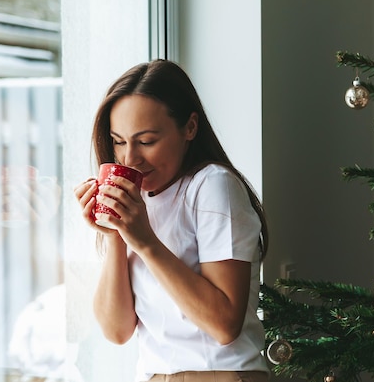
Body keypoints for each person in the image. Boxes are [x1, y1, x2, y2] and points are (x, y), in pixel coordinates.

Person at [73, 59, 270, 382]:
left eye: (147, 141)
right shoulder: (139, 204)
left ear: (190, 128)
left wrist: (145, 241)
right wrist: (115, 233)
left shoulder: (211, 185)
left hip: (219, 374)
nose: (130, 158)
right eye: (119, 141)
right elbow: (117, 330)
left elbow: (223, 324)